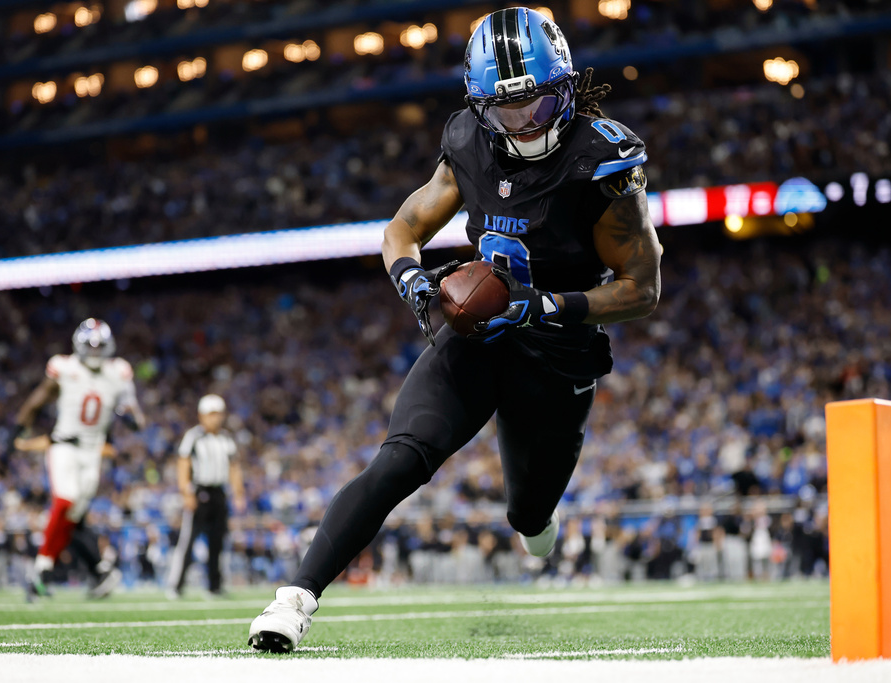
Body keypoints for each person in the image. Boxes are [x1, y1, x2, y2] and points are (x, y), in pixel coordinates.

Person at [248, 6, 660, 652]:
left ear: (568, 89)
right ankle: (293, 598)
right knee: (401, 456)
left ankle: (535, 517)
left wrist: (546, 306)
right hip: (480, 335)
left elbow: (643, 289)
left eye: (538, 104)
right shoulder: (468, 139)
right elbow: (401, 229)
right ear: (479, 106)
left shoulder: (600, 162)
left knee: (528, 510)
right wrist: (412, 280)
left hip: (556, 354)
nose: (524, 123)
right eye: (506, 109)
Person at [15, 318, 145, 600]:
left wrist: (131, 418)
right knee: (65, 500)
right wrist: (19, 426)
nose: (96, 352)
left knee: (72, 517)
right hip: (65, 445)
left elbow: (135, 413)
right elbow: (39, 398)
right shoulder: (65, 367)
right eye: (91, 346)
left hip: (93, 451)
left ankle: (43, 572)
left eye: (100, 346)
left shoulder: (118, 372)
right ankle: (46, 571)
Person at [166, 394, 245, 598]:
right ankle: (176, 585)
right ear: (202, 416)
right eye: (211, 414)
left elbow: (234, 467)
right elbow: (183, 464)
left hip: (219, 493)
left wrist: (238, 493)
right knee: (188, 540)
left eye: (218, 414)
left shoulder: (226, 438)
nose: (215, 418)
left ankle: (214, 585)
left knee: (217, 541)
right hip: (199, 491)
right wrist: (186, 491)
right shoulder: (194, 436)